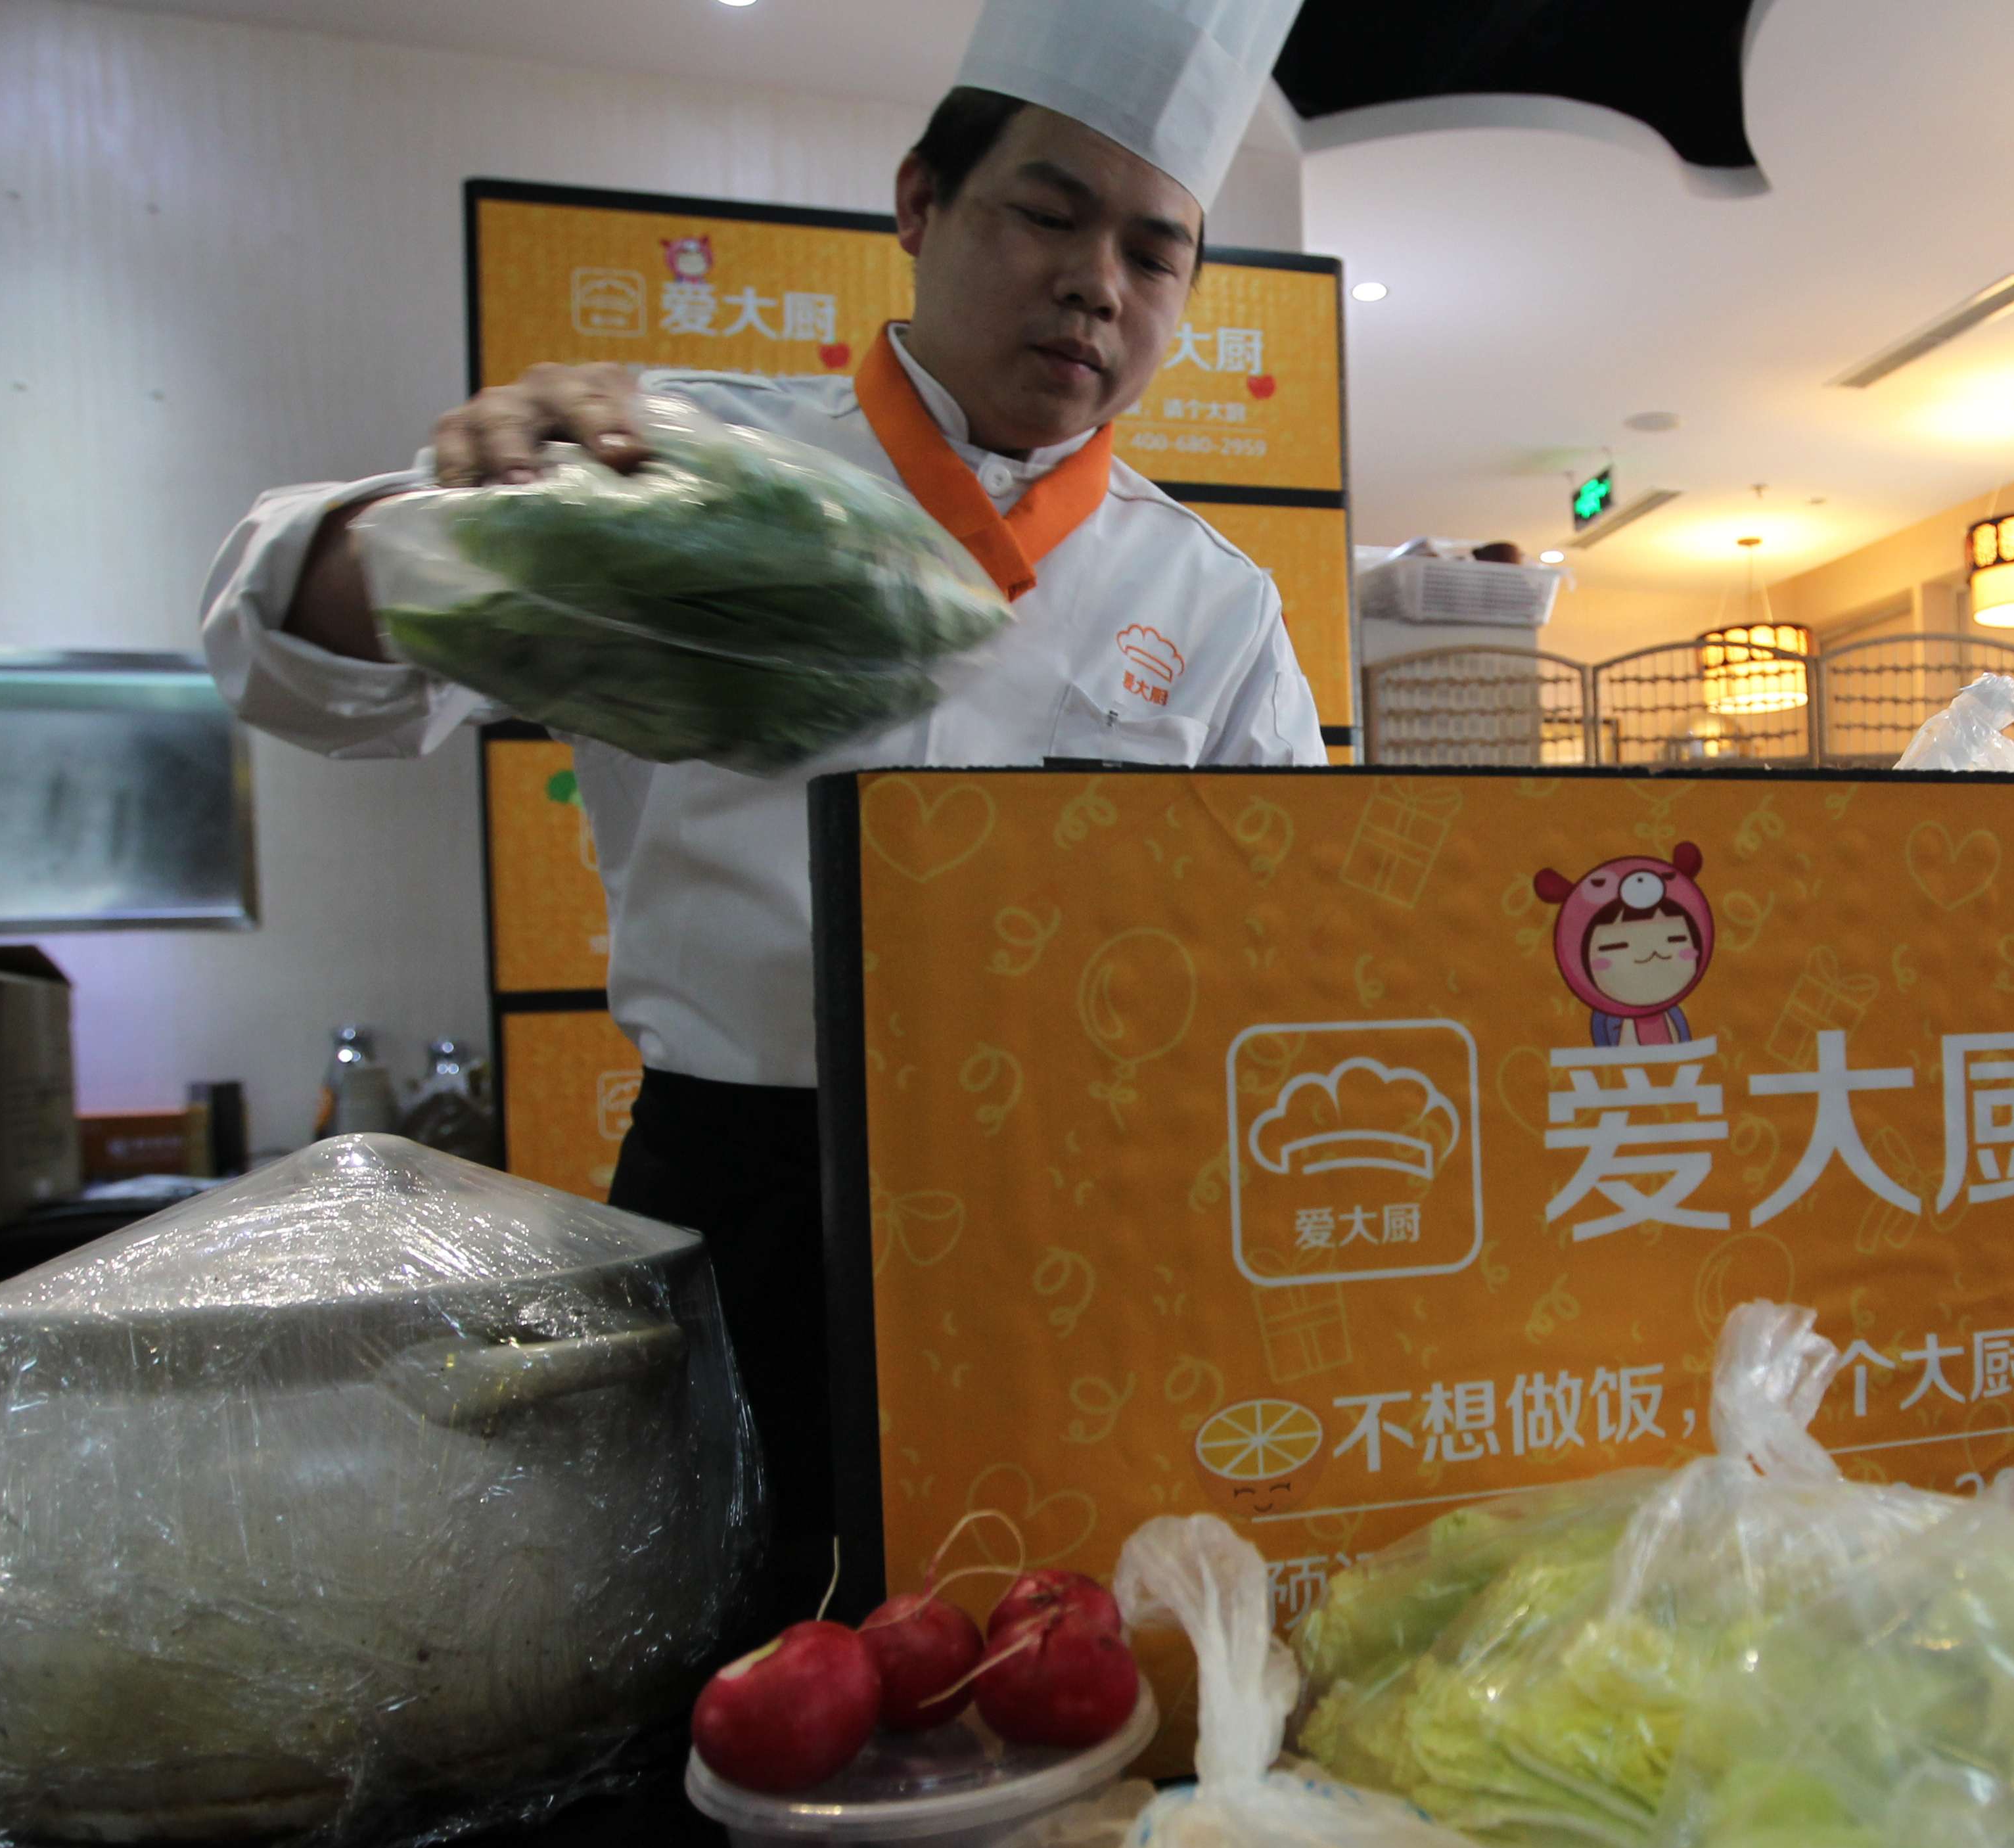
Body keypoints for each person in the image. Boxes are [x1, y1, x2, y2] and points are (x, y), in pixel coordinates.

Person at [199, 0, 1317, 1603]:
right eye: (1048, 213)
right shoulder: (682, 466)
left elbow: (1275, 946)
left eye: (1154, 255)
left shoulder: (1215, 606)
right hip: (740, 1191)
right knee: (710, 1635)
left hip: (1071, 1204)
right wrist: (418, 533)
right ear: (920, 206)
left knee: (1035, 1640)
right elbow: (290, 662)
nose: (1096, 284)